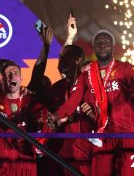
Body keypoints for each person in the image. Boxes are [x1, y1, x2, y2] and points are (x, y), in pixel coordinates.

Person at [51, 30, 134, 175]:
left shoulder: (125, 68)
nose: (102, 45)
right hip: (102, 136)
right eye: (99, 43)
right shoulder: (87, 73)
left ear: (113, 47)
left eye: (107, 42)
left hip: (127, 134)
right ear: (93, 48)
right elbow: (73, 100)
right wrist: (56, 116)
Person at [47, 44, 94, 176]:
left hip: (87, 153)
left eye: (64, 57)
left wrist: (94, 112)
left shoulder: (90, 83)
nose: (60, 61)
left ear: (78, 60)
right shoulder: (57, 88)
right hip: (61, 153)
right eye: (59, 57)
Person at [0, 61, 40, 176]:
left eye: (16, 73)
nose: (12, 76)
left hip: (28, 165)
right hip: (3, 167)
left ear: (21, 78)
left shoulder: (31, 102)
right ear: (3, 78)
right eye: (8, 74)